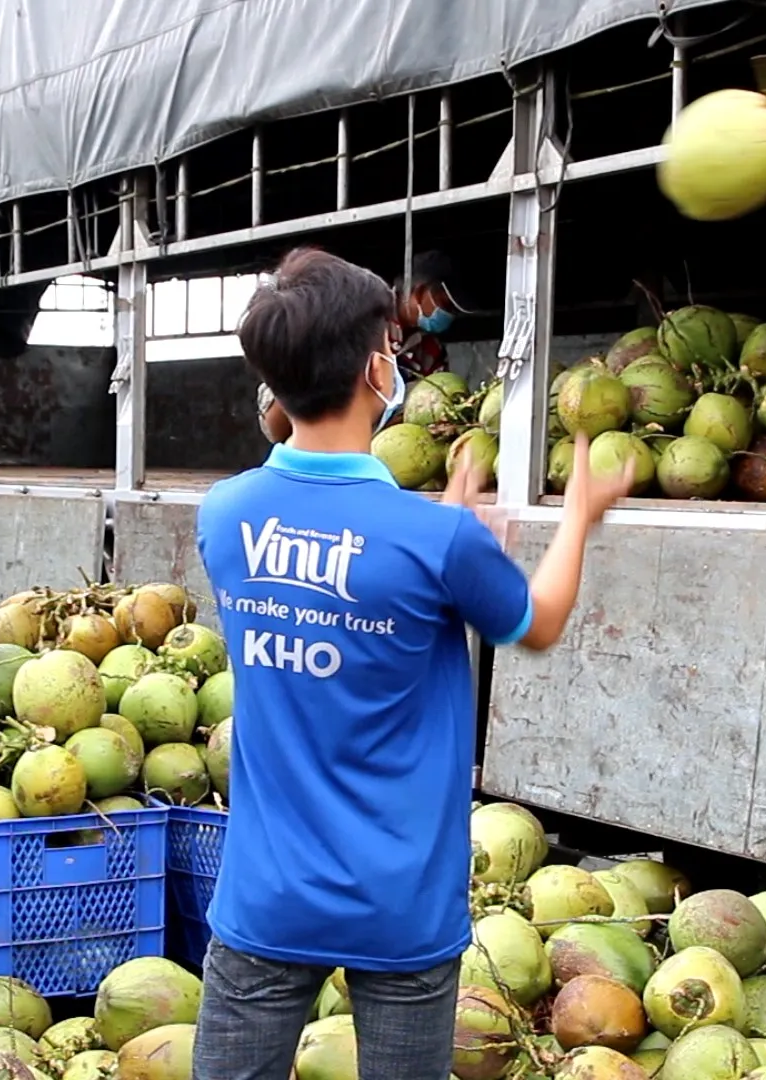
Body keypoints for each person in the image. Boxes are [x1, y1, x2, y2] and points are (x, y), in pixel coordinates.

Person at [192, 248, 635, 1079]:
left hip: (265, 898)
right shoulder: (434, 541)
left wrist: (451, 533)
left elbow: (350, 582)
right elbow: (533, 624)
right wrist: (578, 517)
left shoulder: (225, 516)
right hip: (399, 907)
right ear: (374, 368)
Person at [257, 249, 469, 444]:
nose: (449, 315)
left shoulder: (432, 352)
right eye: (446, 305)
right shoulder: (363, 320)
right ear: (420, 292)